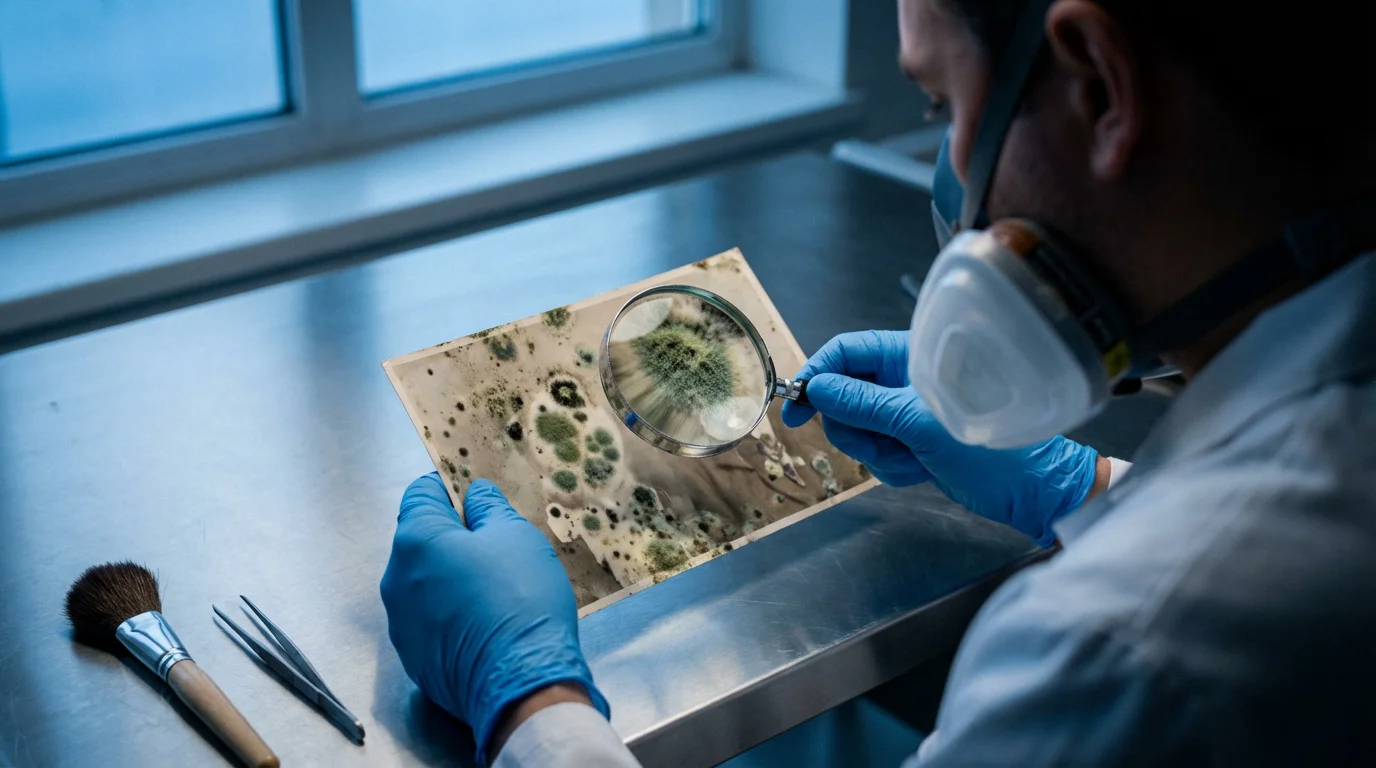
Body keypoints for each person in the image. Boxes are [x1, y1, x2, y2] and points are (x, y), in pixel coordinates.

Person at [381, 0, 1376, 764]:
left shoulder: (1120, 650)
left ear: (1102, 90)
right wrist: (1090, 488)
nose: (952, 170)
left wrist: (531, 705)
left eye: (942, 105)